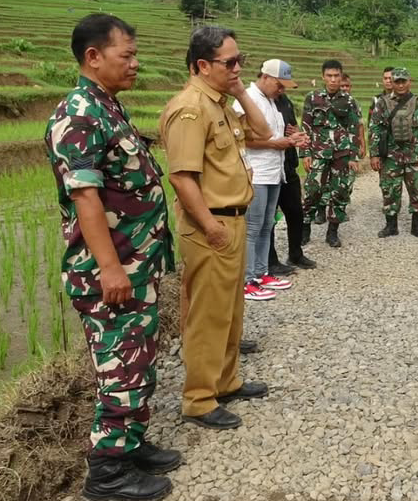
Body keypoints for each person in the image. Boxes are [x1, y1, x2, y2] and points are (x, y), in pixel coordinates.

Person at [46, 14, 179, 500]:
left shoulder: (107, 107)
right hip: (112, 271)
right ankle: (106, 474)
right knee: (120, 369)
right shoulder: (79, 114)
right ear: (93, 57)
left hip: (136, 265)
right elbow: (85, 199)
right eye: (127, 55)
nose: (136, 64)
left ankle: (131, 446)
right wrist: (109, 268)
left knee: (140, 361)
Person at [160, 26, 273, 431]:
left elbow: (263, 132)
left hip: (232, 220)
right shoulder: (190, 108)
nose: (237, 68)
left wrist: (242, 91)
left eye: (240, 60)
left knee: (229, 309)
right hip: (212, 225)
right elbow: (182, 177)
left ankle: (225, 381)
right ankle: (199, 399)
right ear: (203, 65)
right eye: (230, 62)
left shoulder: (221, 104)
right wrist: (210, 227)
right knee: (208, 314)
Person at [234, 59, 308, 301]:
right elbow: (239, 139)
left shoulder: (271, 101)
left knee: (267, 224)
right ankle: (246, 280)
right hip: (256, 172)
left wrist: (292, 138)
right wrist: (276, 143)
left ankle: (260, 271)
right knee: (252, 227)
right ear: (265, 77)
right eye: (279, 85)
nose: (282, 90)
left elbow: (276, 133)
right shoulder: (247, 100)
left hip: (275, 171)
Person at [299, 59, 361, 248]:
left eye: (336, 76)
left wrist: (353, 156)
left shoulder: (349, 101)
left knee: (340, 192)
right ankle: (305, 228)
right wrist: (305, 153)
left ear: (341, 77)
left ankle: (332, 232)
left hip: (341, 155)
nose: (333, 80)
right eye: (329, 76)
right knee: (312, 192)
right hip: (318, 153)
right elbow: (306, 127)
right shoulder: (312, 98)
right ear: (323, 77)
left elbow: (354, 129)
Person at [369, 67, 418, 238]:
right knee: (390, 190)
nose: (400, 85)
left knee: (417, 190)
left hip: (413, 155)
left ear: (409, 82)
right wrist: (374, 154)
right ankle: (391, 226)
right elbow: (375, 128)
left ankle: (417, 227)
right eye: (397, 81)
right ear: (392, 82)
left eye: (403, 81)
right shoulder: (382, 103)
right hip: (390, 156)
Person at [267, 88, 318, 273]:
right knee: (269, 218)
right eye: (279, 84)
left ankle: (295, 254)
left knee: (296, 212)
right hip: (269, 169)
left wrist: (296, 132)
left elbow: (293, 127)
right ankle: (270, 261)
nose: (281, 89)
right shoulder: (259, 102)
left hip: (288, 166)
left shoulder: (284, 100)